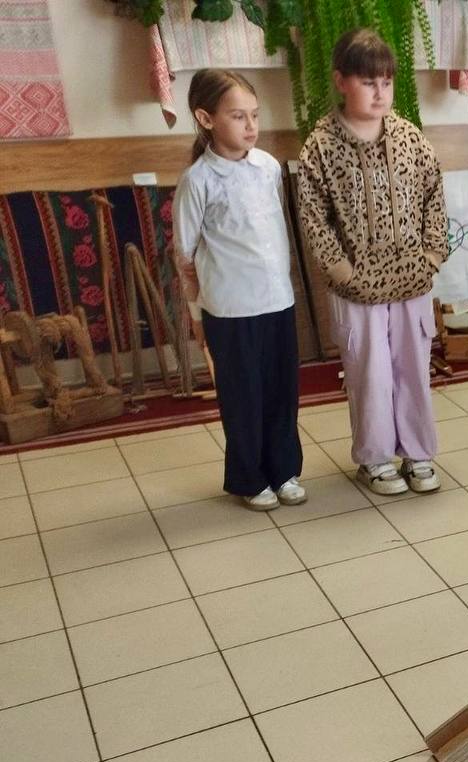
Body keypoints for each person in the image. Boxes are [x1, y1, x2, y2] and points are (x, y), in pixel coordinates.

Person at [297, 28, 450, 496]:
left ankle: (418, 453)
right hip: (356, 288)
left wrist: (431, 254)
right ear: (342, 81)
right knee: (370, 372)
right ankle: (376, 458)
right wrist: (340, 270)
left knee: (412, 368)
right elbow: (311, 214)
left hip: (411, 282)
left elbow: (434, 196)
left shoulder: (410, 138)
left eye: (386, 82)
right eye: (368, 82)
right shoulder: (320, 147)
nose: (380, 92)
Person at [173, 69, 305, 512]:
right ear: (205, 118)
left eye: (254, 115)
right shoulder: (198, 180)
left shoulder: (267, 167)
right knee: (243, 397)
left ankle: (284, 470)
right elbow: (184, 256)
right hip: (230, 310)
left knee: (282, 393)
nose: (251, 126)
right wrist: (196, 316)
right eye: (237, 116)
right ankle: (249, 477)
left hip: (276, 302)